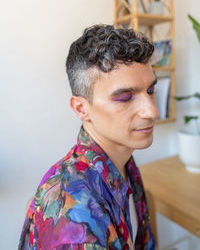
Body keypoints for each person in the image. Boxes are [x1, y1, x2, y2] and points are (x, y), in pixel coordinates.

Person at [18, 25, 159, 250]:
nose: (152, 111)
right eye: (125, 98)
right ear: (81, 108)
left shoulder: (124, 162)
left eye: (150, 91)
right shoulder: (75, 225)